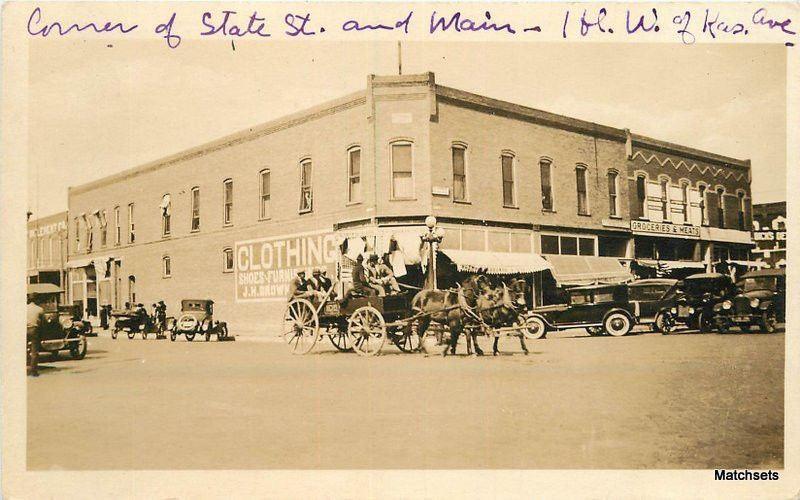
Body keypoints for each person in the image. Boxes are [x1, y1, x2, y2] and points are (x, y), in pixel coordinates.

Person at [26, 293, 44, 377]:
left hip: (24, 330)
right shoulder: (39, 309)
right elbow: (42, 323)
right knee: (34, 351)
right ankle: (33, 371)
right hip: (34, 330)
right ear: (37, 300)